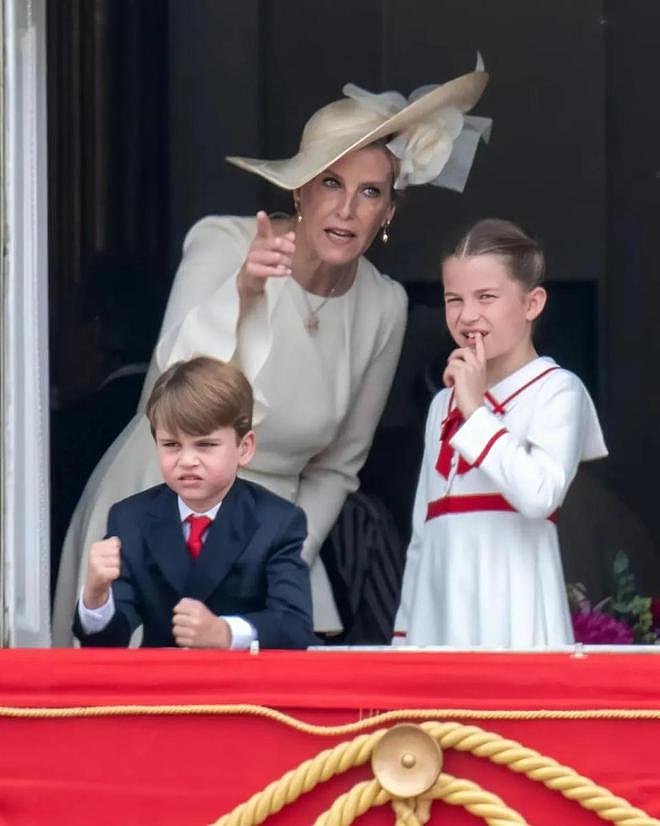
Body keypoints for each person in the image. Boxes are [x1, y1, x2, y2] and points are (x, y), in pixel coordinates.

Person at [54, 66, 491, 644]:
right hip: (156, 512)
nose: (346, 209)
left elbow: (339, 469)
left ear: (388, 212)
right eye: (330, 183)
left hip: (269, 539)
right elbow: (167, 392)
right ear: (299, 188)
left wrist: (275, 558)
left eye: (370, 192)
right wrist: (245, 292)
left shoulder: (384, 306)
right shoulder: (225, 243)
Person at [393, 219, 607, 648]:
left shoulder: (557, 389)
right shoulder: (442, 404)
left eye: (486, 297)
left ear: (532, 303)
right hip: (439, 621)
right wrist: (404, 637)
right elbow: (424, 529)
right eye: (454, 299)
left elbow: (539, 494)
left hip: (516, 613)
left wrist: (475, 412)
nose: (468, 315)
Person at [73, 356, 315, 649]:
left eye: (205, 444)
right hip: (160, 689)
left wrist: (225, 633)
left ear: (244, 448)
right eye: (172, 445)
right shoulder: (130, 518)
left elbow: (294, 625)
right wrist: (96, 596)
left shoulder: (277, 520)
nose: (187, 460)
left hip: (241, 689)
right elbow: (110, 642)